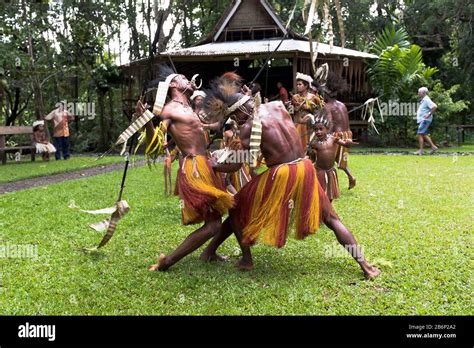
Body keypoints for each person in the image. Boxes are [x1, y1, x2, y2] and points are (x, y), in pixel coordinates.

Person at [200, 73, 380, 280]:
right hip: (304, 166)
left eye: (235, 117)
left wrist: (215, 165)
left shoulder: (248, 128)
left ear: (241, 110)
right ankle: (366, 266)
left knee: (236, 207)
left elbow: (234, 166)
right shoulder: (277, 106)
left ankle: (246, 259)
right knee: (331, 218)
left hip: (282, 173)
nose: (236, 121)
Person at [137, 66, 235, 271]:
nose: (188, 79)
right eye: (182, 78)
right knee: (213, 225)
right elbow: (153, 144)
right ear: (173, 84)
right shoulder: (170, 109)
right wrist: (146, 123)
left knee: (217, 218)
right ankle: (168, 261)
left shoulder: (189, 108)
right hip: (194, 167)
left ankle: (209, 252)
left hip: (206, 163)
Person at [318, 72, 356, 189]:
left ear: (327, 93)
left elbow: (329, 124)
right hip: (347, 133)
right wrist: (349, 136)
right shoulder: (342, 105)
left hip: (337, 135)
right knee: (340, 161)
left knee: (330, 160)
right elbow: (346, 122)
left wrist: (326, 136)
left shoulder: (327, 106)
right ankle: (350, 177)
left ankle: (332, 183)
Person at [309, 113, 358, 201]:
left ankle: (329, 207)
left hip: (331, 171)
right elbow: (309, 156)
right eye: (316, 130)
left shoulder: (333, 139)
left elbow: (345, 144)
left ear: (327, 129)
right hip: (320, 171)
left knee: (330, 194)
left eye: (321, 129)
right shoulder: (314, 143)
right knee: (320, 194)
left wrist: (348, 142)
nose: (318, 132)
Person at [291, 73, 324, 150]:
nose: (298, 86)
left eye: (300, 84)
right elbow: (294, 110)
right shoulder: (295, 97)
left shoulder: (314, 98)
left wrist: (310, 111)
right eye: (297, 84)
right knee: (298, 147)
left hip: (310, 126)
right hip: (298, 125)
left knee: (309, 147)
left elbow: (318, 111)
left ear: (306, 86)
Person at [414, 87, 438, 155]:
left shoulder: (427, 100)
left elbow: (434, 106)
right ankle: (433, 147)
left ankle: (421, 150)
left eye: (419, 92)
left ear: (424, 93)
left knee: (420, 134)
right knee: (423, 134)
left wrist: (428, 114)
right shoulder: (423, 100)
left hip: (425, 120)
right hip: (423, 119)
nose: (418, 93)